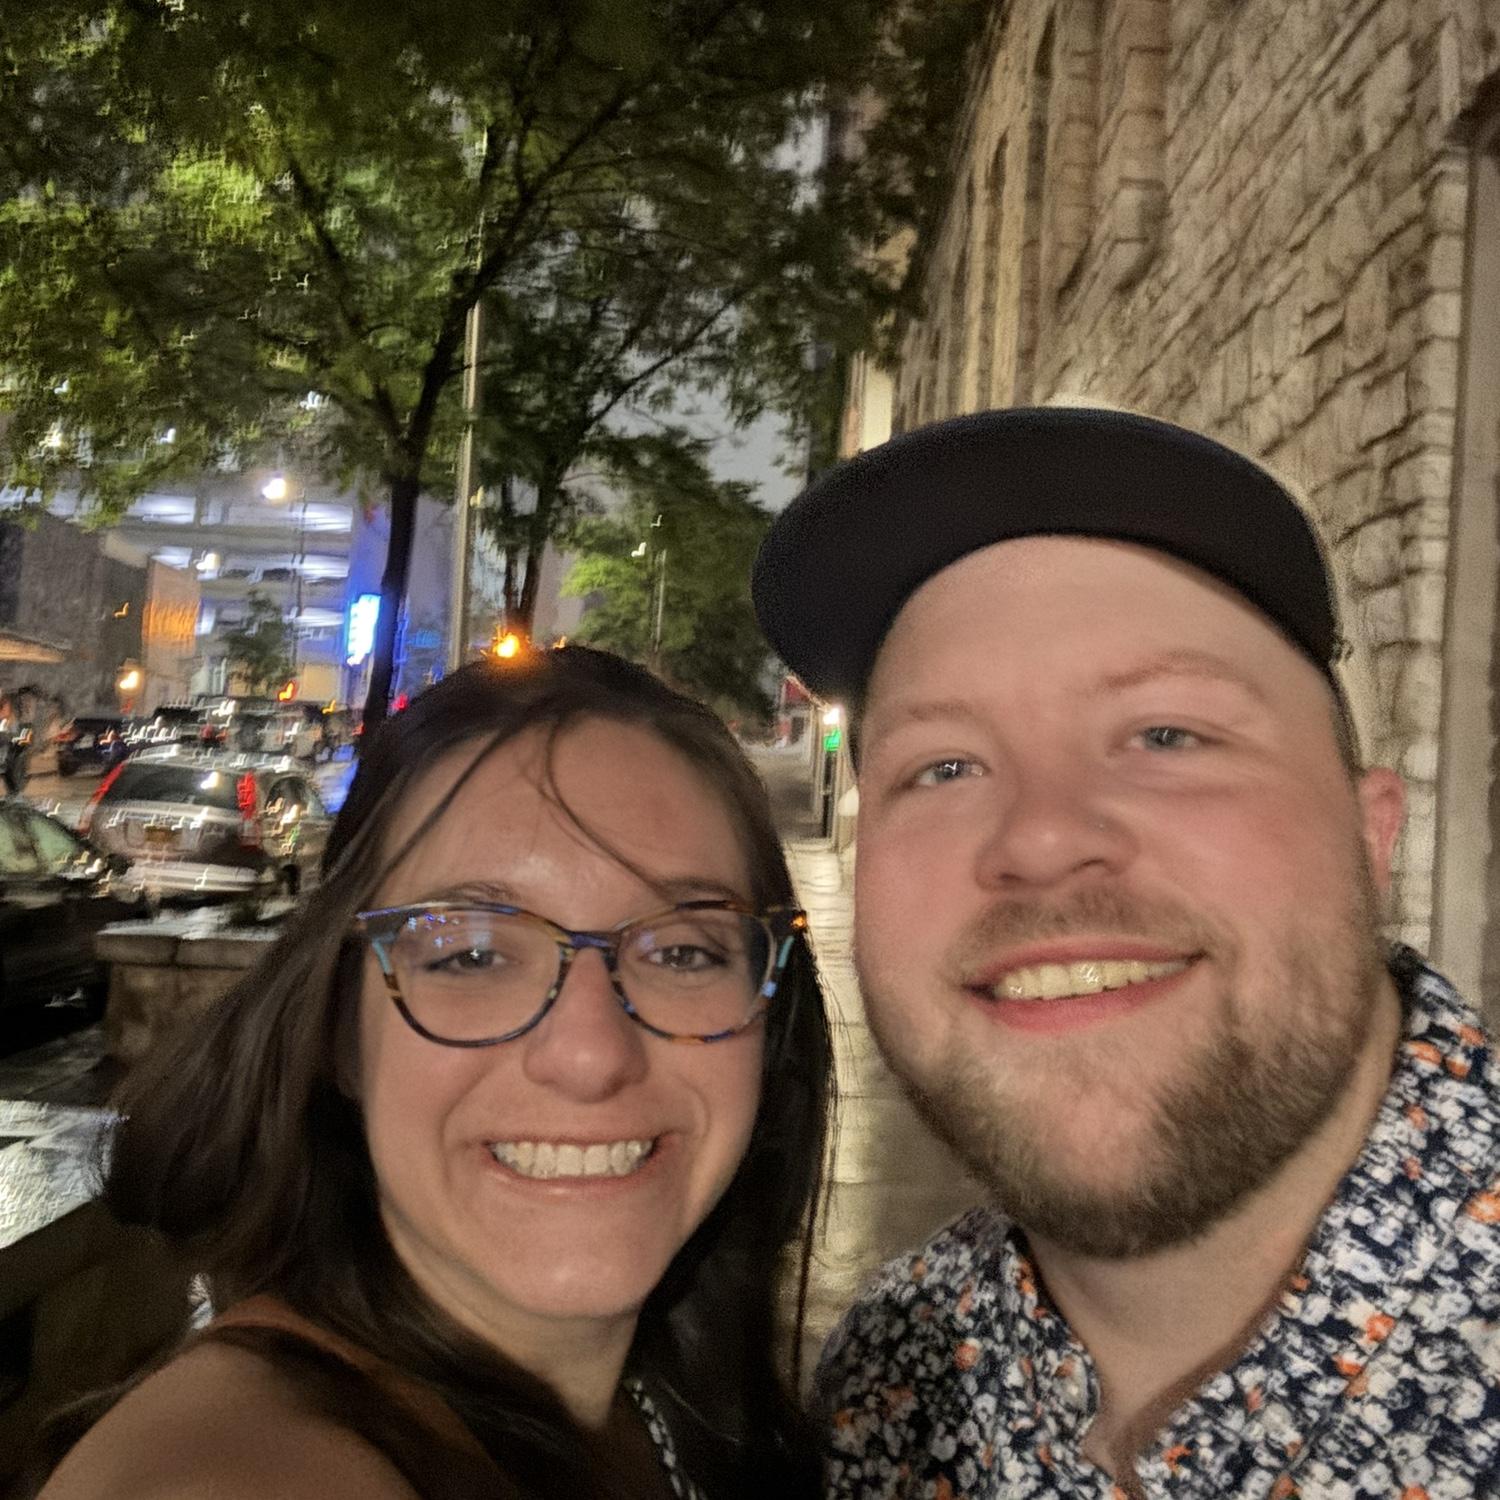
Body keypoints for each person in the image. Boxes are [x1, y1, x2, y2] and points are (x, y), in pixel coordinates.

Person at [751, 406, 1500, 1497]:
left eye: (1167, 734)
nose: (1043, 838)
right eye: (944, 767)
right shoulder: (889, 1373)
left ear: (1371, 833)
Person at [30, 645, 832, 1500]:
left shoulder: (681, 1394)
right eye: (472, 955)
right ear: (340, 1030)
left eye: (681, 951)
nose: (591, 1055)